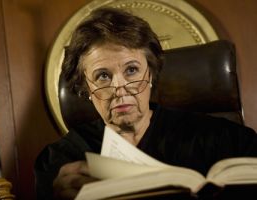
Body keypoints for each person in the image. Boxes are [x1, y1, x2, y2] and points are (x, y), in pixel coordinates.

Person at [34, 7, 257, 200]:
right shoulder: (60, 162)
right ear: (86, 88)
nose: (119, 88)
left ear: (150, 74)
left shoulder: (225, 139)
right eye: (103, 76)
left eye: (131, 70)